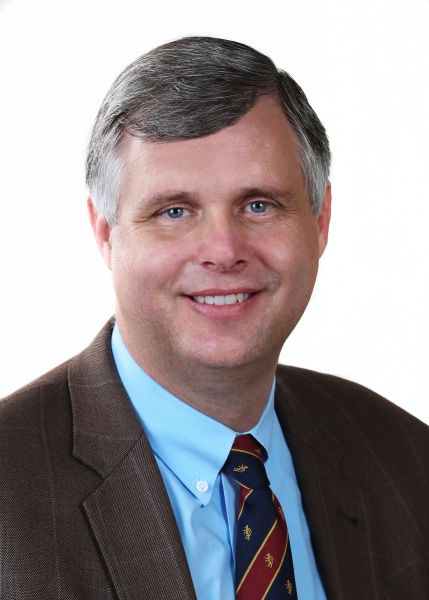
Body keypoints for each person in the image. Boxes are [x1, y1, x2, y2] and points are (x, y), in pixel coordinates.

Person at [0, 36, 427, 600]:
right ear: (105, 232)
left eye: (259, 205)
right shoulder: (11, 495)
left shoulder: (406, 460)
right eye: (175, 211)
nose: (223, 251)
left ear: (320, 219)